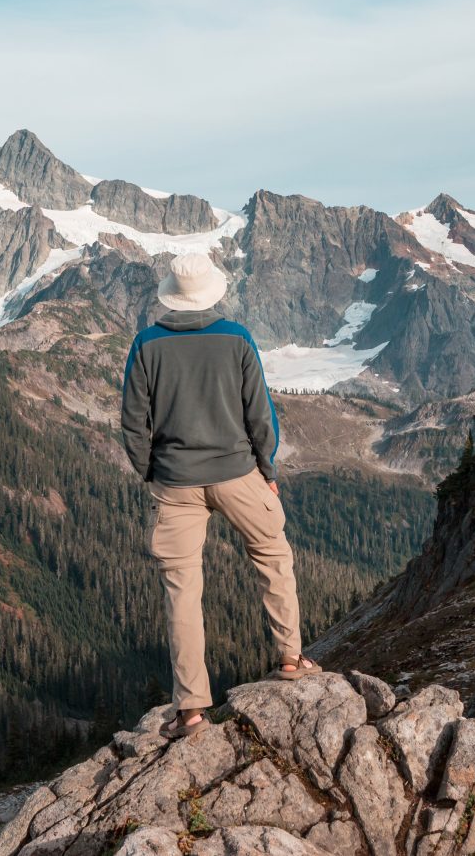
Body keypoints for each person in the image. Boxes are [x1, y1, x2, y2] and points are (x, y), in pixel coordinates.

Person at [120, 252, 322, 739]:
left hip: (175, 483)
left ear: (172, 293)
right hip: (238, 474)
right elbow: (260, 415)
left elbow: (133, 424)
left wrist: (154, 473)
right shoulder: (237, 338)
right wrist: (266, 470)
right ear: (212, 290)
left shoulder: (146, 345)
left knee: (181, 591)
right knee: (273, 556)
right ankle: (291, 659)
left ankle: (190, 710)